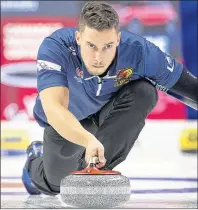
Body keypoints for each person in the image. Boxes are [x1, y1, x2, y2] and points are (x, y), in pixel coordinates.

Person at [22, 2, 197, 195]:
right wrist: (87, 140)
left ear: (118, 39)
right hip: (69, 122)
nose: (98, 57)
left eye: (107, 46)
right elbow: (55, 109)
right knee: (56, 185)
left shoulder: (140, 51)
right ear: (78, 37)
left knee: (145, 91)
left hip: (109, 111)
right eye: (91, 46)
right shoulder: (57, 47)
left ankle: (97, 170)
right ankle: (35, 160)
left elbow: (190, 88)